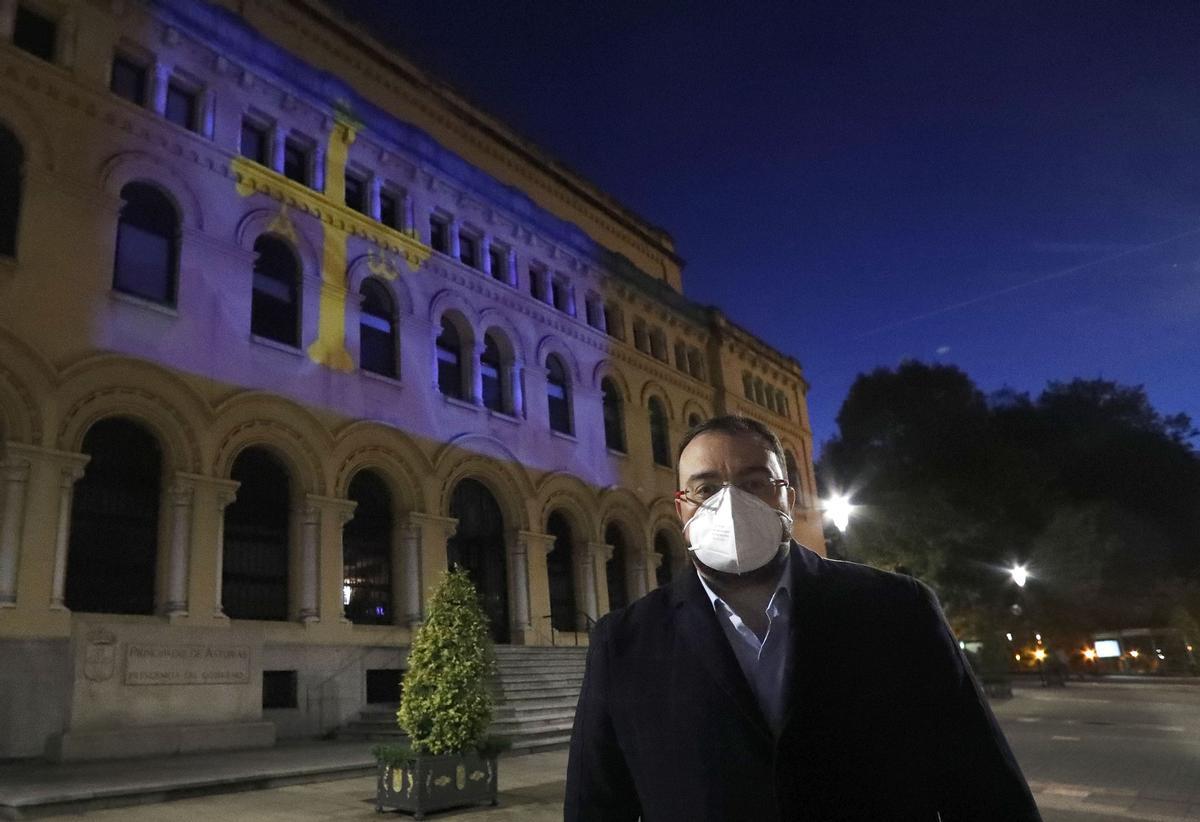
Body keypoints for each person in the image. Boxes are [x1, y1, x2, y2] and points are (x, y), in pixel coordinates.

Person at [565, 415, 1040, 821]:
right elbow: (599, 806)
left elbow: (983, 785)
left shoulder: (898, 610)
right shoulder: (624, 643)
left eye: (754, 483)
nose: (729, 503)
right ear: (681, 507)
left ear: (787, 497)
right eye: (706, 488)